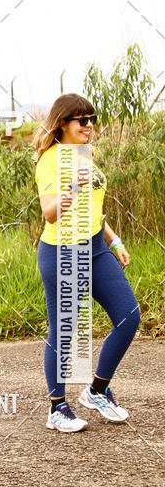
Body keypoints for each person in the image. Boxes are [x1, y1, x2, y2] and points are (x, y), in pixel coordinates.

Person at [34, 93, 140, 433]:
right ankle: (57, 407)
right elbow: (50, 214)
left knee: (128, 317)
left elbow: (94, 208)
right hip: (62, 251)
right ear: (64, 123)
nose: (90, 126)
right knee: (65, 331)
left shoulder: (84, 157)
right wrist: (71, 188)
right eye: (83, 121)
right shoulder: (50, 160)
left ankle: (96, 390)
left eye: (92, 119)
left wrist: (114, 240)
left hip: (95, 247)